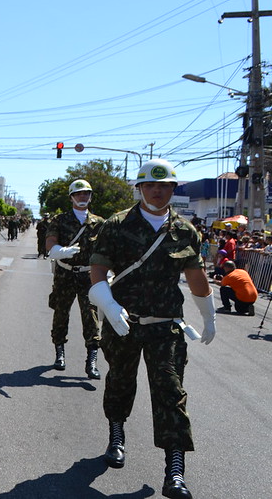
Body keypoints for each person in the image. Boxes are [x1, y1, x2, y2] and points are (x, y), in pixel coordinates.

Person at [88, 159, 216, 499]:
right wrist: (110, 307)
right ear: (140, 188)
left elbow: (196, 277)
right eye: (150, 186)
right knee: (119, 381)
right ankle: (116, 435)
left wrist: (209, 315)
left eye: (164, 186)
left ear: (172, 189)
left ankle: (174, 471)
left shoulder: (185, 231)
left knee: (170, 393)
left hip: (165, 326)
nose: (157, 191)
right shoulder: (116, 224)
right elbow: (98, 271)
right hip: (123, 323)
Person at [46, 179, 104, 378]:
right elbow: (50, 243)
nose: (83, 196)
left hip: (88, 275)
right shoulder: (59, 220)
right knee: (61, 312)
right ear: (71, 197)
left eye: (86, 193)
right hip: (65, 273)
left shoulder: (99, 223)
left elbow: (107, 250)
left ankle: (92, 360)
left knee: (91, 316)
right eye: (79, 193)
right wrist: (60, 251)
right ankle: (59, 352)